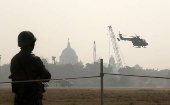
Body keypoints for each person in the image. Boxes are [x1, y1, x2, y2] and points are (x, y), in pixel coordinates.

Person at [9, 31, 51, 105]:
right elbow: (47, 76)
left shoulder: (14, 60)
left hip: (19, 99)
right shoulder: (35, 60)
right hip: (33, 99)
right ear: (31, 44)